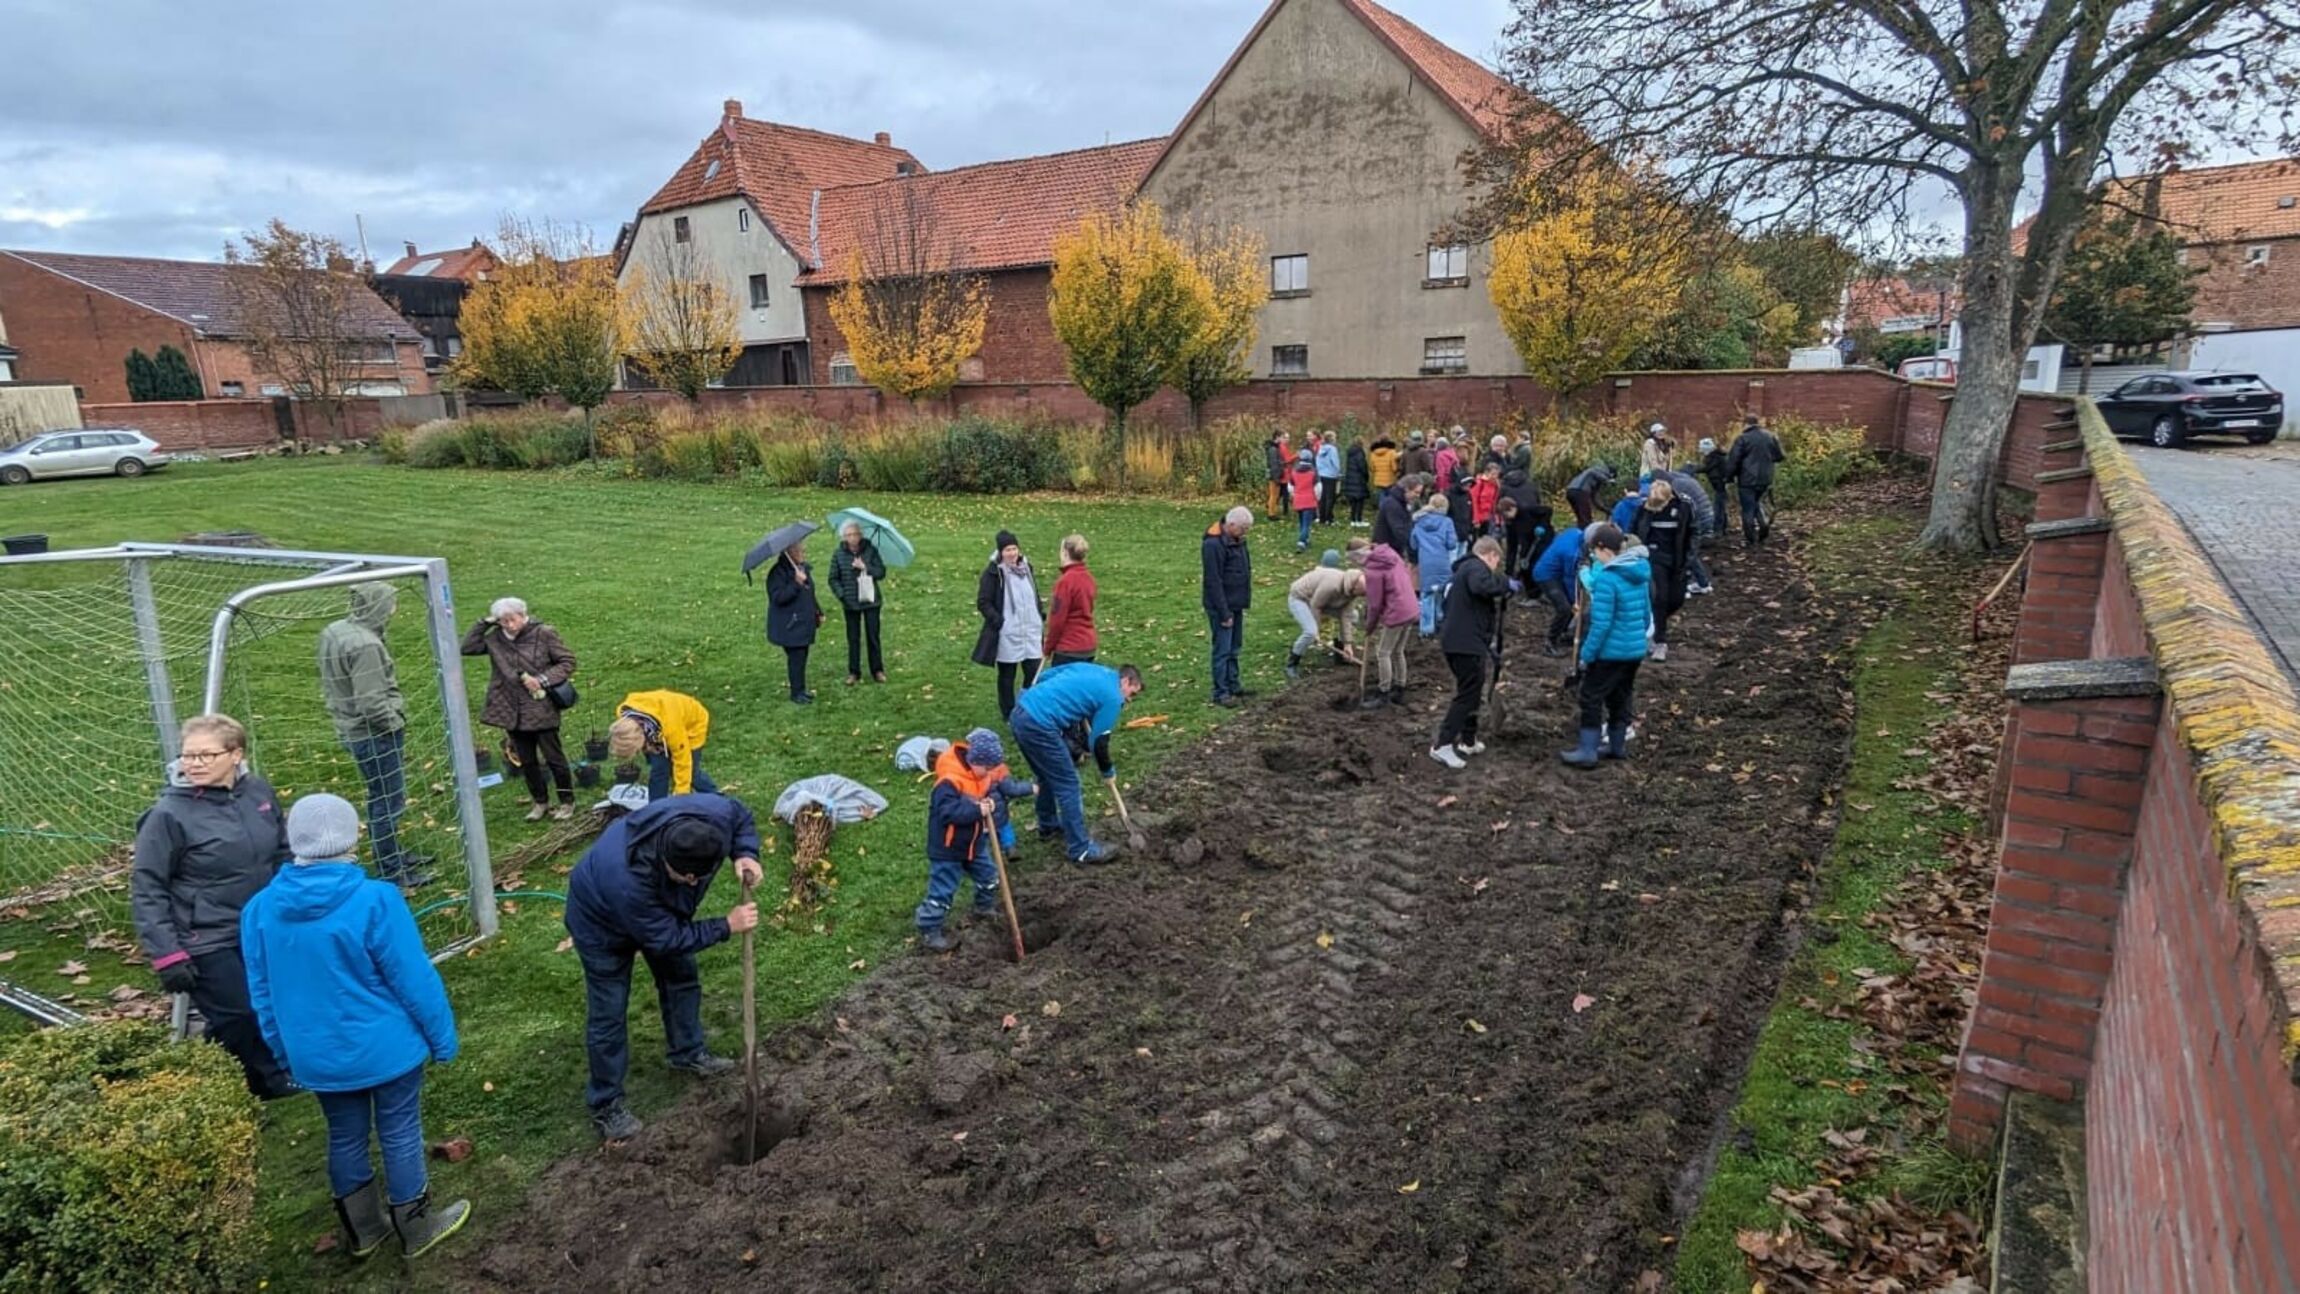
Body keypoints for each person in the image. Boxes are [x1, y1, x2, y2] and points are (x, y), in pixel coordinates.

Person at [240, 793, 468, 1259]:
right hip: (388, 1051)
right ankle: (417, 1229)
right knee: (400, 1129)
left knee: (344, 1134)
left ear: (293, 840)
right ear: (352, 838)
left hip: (316, 1056)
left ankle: (365, 1231)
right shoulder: (377, 900)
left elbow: (261, 993)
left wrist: (285, 1052)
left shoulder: (258, 911)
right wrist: (442, 1038)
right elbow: (414, 979)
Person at [565, 792, 764, 1140]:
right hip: (600, 923)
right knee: (608, 1012)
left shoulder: (713, 815)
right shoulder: (627, 881)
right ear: (669, 863)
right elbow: (667, 939)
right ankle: (606, 1103)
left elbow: (740, 816)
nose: (693, 884)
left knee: (681, 978)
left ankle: (687, 1052)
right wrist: (725, 926)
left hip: (659, 915)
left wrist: (745, 852)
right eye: (687, 878)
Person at [131, 712, 295, 1100]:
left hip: (258, 925)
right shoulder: (167, 815)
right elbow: (147, 885)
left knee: (266, 1004)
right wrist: (167, 954)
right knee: (240, 1011)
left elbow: (282, 851)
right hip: (203, 936)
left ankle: (215, 1068)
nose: (194, 764)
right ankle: (266, 1085)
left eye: (206, 755)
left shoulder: (258, 793)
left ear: (235, 754)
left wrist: (290, 903)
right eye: (189, 756)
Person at [318, 583, 426, 888]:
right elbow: (371, 702)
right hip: (373, 735)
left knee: (382, 797)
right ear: (380, 605)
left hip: (349, 727)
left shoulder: (335, 630)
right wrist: (394, 724)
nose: (395, 608)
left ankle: (394, 853)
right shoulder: (365, 645)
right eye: (392, 602)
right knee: (387, 802)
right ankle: (392, 870)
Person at [1007, 662, 1143, 865]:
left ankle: (1048, 824)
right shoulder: (1113, 697)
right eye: (1131, 694)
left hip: (1020, 713)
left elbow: (1045, 676)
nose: (1127, 701)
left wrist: (1069, 701)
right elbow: (1097, 742)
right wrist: (1108, 771)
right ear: (1125, 681)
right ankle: (1080, 850)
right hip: (1039, 725)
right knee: (1068, 783)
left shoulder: (1092, 669)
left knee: (1046, 775)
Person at [915, 728, 1035, 952]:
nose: (990, 773)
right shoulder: (949, 782)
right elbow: (948, 813)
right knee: (943, 891)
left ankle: (983, 908)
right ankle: (929, 928)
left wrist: (989, 803)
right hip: (948, 848)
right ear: (975, 761)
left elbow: (989, 793)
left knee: (989, 877)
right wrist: (976, 810)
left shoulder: (982, 775)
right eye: (987, 768)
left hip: (974, 843)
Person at [461, 597, 577, 822]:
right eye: (504, 621)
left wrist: (542, 679)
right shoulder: (495, 638)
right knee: (526, 760)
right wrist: (484, 623)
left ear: (524, 616)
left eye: (513, 619)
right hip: (511, 708)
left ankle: (566, 802)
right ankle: (540, 802)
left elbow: (567, 662)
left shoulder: (544, 633)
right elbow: (467, 648)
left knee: (554, 758)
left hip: (540, 705)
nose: (510, 625)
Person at [1562, 524, 1651, 768]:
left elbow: (1601, 625)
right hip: (1634, 651)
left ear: (1604, 549)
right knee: (1620, 697)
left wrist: (1587, 655)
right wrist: (1634, 639)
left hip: (1609, 653)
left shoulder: (1608, 579)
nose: (1593, 556)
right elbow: (1645, 615)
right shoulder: (1639, 572)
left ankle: (1587, 751)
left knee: (1590, 697)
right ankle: (1616, 745)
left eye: (1595, 551)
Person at [1429, 537, 1509, 770]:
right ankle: (1442, 745)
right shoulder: (1475, 567)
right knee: (1467, 693)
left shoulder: (1460, 573)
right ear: (1491, 555)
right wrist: (1504, 583)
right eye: (1497, 562)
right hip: (1464, 643)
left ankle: (1468, 739)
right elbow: (1482, 587)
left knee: (1473, 690)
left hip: (1460, 640)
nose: (1495, 567)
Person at [973, 530, 1045, 721]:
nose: (1012, 553)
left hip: (1030, 630)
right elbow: (983, 602)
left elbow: (1033, 594)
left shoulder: (1027, 568)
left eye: (1014, 548)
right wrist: (999, 621)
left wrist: (1039, 612)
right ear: (1000, 552)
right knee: (1007, 675)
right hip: (1008, 633)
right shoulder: (993, 573)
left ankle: (1029, 707)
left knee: (1034, 671)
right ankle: (1008, 712)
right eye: (1007, 550)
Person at [607, 689, 714, 802]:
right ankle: (655, 807)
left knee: (691, 773)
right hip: (660, 728)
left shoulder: (671, 729)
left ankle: (717, 799)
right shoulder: (625, 718)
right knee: (659, 769)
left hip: (693, 725)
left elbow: (683, 762)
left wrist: (682, 794)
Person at [1632, 479, 1696, 661]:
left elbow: (1692, 533)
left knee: (1676, 599)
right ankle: (1659, 641)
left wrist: (1690, 558)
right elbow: (1634, 531)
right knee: (1660, 597)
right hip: (1651, 557)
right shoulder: (1643, 509)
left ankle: (1652, 623)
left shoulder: (1683, 508)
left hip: (1676, 559)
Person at [1285, 546, 1367, 678]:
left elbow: (1345, 617)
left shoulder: (1351, 592)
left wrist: (1348, 644)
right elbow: (1316, 606)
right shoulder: (1332, 585)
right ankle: (1292, 664)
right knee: (1310, 632)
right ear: (1355, 586)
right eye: (1362, 593)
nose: (1362, 596)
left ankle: (1341, 653)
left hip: (1322, 601)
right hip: (1301, 598)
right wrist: (1317, 630)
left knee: (1353, 616)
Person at [1201, 506, 1254, 707]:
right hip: (1221, 606)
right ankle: (1220, 692)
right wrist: (1224, 613)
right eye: (1243, 529)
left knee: (1235, 647)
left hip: (1236, 603)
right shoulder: (1213, 545)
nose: (1245, 533)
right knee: (1222, 649)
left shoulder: (1237, 540)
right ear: (1231, 525)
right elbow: (1213, 581)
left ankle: (1233, 685)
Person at [1359, 532, 1418, 709]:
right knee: (1398, 650)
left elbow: (1375, 604)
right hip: (1411, 607)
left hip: (1397, 612)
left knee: (1383, 652)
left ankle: (1384, 692)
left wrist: (1369, 626)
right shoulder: (1392, 556)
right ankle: (1400, 687)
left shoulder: (1373, 570)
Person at [826, 521, 889, 687]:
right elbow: (832, 579)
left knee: (873, 636)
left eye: (855, 534)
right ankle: (854, 672)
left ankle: (877, 670)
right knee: (853, 638)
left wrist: (865, 567)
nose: (852, 538)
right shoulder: (839, 554)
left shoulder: (870, 551)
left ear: (860, 536)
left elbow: (881, 572)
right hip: (850, 602)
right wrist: (843, 595)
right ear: (844, 537)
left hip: (871, 601)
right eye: (848, 535)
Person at [765, 541, 821, 705]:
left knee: (802, 657)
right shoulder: (777, 574)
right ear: (789, 553)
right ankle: (796, 693)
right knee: (796, 659)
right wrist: (796, 583)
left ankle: (801, 690)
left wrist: (818, 611)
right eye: (800, 551)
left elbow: (809, 592)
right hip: (790, 624)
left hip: (803, 622)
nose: (803, 552)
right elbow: (778, 598)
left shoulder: (802, 568)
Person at [1726, 414, 1787, 544]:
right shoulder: (1770, 436)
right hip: (1765, 478)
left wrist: (1729, 477)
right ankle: (1763, 527)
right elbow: (1780, 456)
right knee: (1757, 503)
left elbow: (1734, 461)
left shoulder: (1743, 439)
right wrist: (1768, 460)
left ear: (1746, 424)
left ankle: (1750, 538)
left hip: (1747, 480)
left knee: (1748, 508)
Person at [1661, 467, 1718, 595]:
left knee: (1684, 552)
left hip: (1699, 521)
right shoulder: (1684, 480)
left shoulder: (1676, 486)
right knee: (1691, 552)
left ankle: (1685, 586)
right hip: (1706, 517)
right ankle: (1703, 583)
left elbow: (1680, 507)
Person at [1044, 533, 1098, 667]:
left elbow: (1057, 620)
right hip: (1088, 646)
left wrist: (1048, 648)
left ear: (1065, 553)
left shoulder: (1065, 582)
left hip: (1069, 648)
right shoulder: (1089, 579)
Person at [1531, 524, 1586, 656]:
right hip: (1545, 575)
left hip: (1556, 573)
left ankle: (1563, 632)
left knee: (1570, 607)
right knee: (1565, 608)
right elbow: (1570, 579)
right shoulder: (1571, 554)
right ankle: (1550, 642)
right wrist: (1576, 602)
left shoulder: (1574, 532)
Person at [1412, 495, 1457, 637]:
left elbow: (1413, 543)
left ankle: (1426, 629)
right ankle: (1441, 620)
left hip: (1426, 563)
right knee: (1442, 592)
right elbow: (1452, 544)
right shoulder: (1447, 522)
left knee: (1426, 595)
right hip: (1442, 562)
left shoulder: (1419, 522)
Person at [1371, 472, 1426, 558]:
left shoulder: (1402, 502)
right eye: (1416, 492)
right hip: (1386, 551)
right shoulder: (1393, 505)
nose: (1418, 496)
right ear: (1407, 489)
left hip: (1392, 549)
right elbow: (1400, 531)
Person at [1286, 448, 1320, 551]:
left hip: (1298, 499)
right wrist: (1317, 498)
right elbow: (1318, 488)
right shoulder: (1313, 472)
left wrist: (1293, 495)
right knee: (1307, 523)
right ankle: (1301, 541)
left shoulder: (1294, 471)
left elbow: (1290, 486)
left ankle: (1305, 539)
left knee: (1301, 522)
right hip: (1309, 500)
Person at [1564, 464, 1616, 528]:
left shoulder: (1594, 479)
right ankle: (1587, 535)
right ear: (1611, 475)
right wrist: (1607, 480)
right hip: (1579, 491)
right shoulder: (1598, 470)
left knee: (1581, 519)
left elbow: (1594, 499)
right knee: (1586, 519)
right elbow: (1592, 472)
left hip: (1570, 491)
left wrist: (1606, 510)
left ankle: (1580, 533)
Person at [1341, 435, 1373, 527]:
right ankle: (1358, 520)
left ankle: (1352, 519)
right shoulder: (1360, 453)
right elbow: (1362, 467)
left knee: (1353, 502)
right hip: (1359, 480)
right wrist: (1366, 476)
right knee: (1359, 501)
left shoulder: (1350, 453)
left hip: (1351, 479)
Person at [1315, 431, 1343, 526]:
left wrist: (1320, 471)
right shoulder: (1332, 449)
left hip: (1322, 474)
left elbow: (1317, 462)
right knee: (1330, 498)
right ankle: (1329, 518)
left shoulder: (1321, 448)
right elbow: (1335, 462)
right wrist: (1338, 472)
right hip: (1331, 475)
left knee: (1323, 497)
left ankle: (1322, 517)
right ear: (1332, 439)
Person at [1263, 428, 1292, 521]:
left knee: (1275, 495)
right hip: (1275, 475)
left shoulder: (1275, 448)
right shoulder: (1273, 449)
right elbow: (1274, 464)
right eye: (1282, 437)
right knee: (1273, 495)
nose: (1283, 439)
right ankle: (1271, 514)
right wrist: (1276, 477)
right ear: (1277, 437)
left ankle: (1272, 511)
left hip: (1276, 473)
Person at [1699, 436, 1731, 516]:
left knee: (1719, 505)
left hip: (1719, 483)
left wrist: (1693, 468)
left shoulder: (1714, 457)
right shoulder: (1718, 456)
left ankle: (1718, 526)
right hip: (1720, 483)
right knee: (1721, 505)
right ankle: (1721, 524)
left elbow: (1707, 468)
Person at [1468, 461, 1502, 531]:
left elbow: (1495, 502)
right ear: (1486, 473)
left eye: (1496, 474)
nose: (1495, 477)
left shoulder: (1496, 486)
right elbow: (1474, 502)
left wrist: (1497, 518)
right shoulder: (1479, 484)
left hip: (1489, 517)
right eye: (1493, 474)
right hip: (1479, 517)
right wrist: (1476, 519)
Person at [1366, 433, 1400, 498]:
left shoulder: (1373, 453)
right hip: (1389, 479)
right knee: (1390, 497)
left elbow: (1372, 468)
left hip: (1378, 479)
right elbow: (1394, 468)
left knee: (1382, 496)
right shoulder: (1391, 452)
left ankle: (1381, 507)